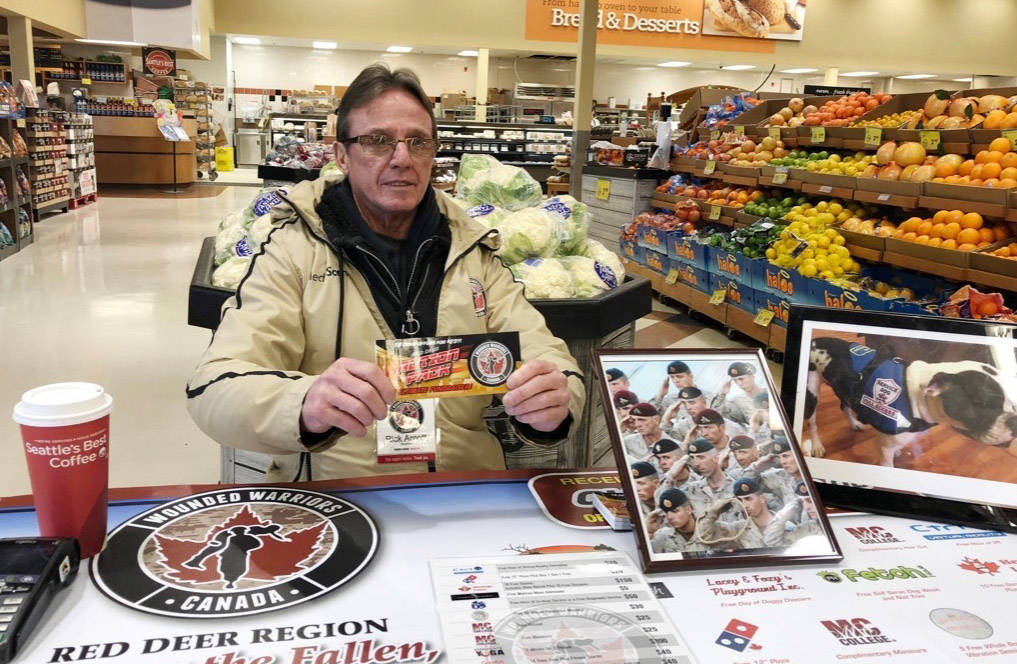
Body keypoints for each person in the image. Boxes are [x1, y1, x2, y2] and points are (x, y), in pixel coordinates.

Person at [186, 64, 584, 481]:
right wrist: (301, 402)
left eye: (418, 142)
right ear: (341, 155)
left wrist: (556, 401)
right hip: (337, 496)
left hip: (462, 490)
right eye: (378, 142)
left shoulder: (473, 249)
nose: (402, 158)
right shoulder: (293, 251)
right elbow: (214, 386)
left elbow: (550, 358)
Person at [698, 477, 794, 550]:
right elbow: (705, 537)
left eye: (748, 499)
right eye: (740, 500)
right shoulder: (739, 529)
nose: (744, 505)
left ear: (762, 498)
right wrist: (713, 512)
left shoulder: (786, 526)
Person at [680, 438, 737, 519]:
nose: (696, 463)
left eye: (701, 457)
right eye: (692, 458)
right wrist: (670, 477)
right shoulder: (690, 490)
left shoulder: (735, 489)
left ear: (716, 458)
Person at [648, 488, 710, 554]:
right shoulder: (663, 536)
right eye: (666, 513)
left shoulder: (710, 530)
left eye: (675, 511)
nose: (669, 517)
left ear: (688, 509)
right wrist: (650, 531)